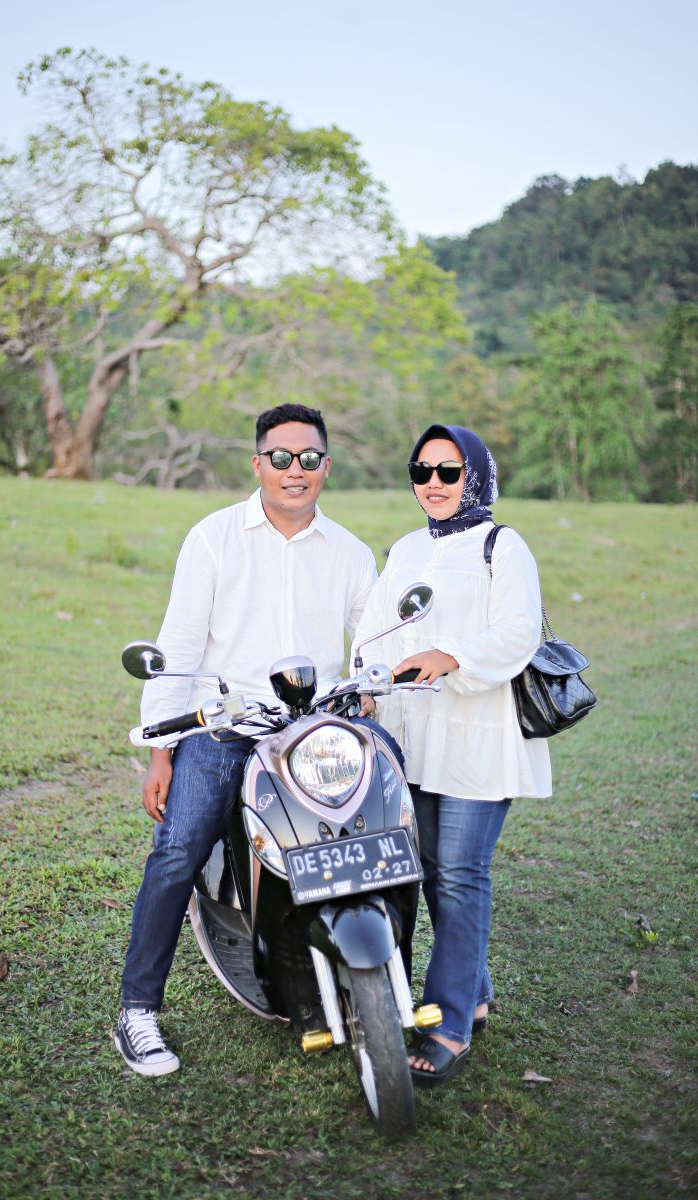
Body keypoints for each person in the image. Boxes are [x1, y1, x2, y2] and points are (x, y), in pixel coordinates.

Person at [115, 403, 380, 1076]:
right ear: (258, 463)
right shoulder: (213, 538)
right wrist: (160, 751)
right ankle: (137, 1009)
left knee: (375, 832)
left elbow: (375, 642)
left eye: (309, 458)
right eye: (281, 458)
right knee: (179, 846)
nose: (296, 470)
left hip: (314, 729)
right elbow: (178, 645)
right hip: (227, 726)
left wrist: (371, 686)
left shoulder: (351, 553)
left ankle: (371, 977)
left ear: (327, 466)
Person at [351, 424, 552, 1087]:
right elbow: (375, 629)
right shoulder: (408, 548)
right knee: (434, 874)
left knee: (462, 874)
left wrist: (452, 656)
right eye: (422, 470)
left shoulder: (502, 546)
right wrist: (365, 681)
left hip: (477, 738)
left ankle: (448, 1024)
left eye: (448, 470)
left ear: (476, 476)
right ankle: (476, 992)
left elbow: (519, 632)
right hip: (413, 739)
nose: (433, 483)